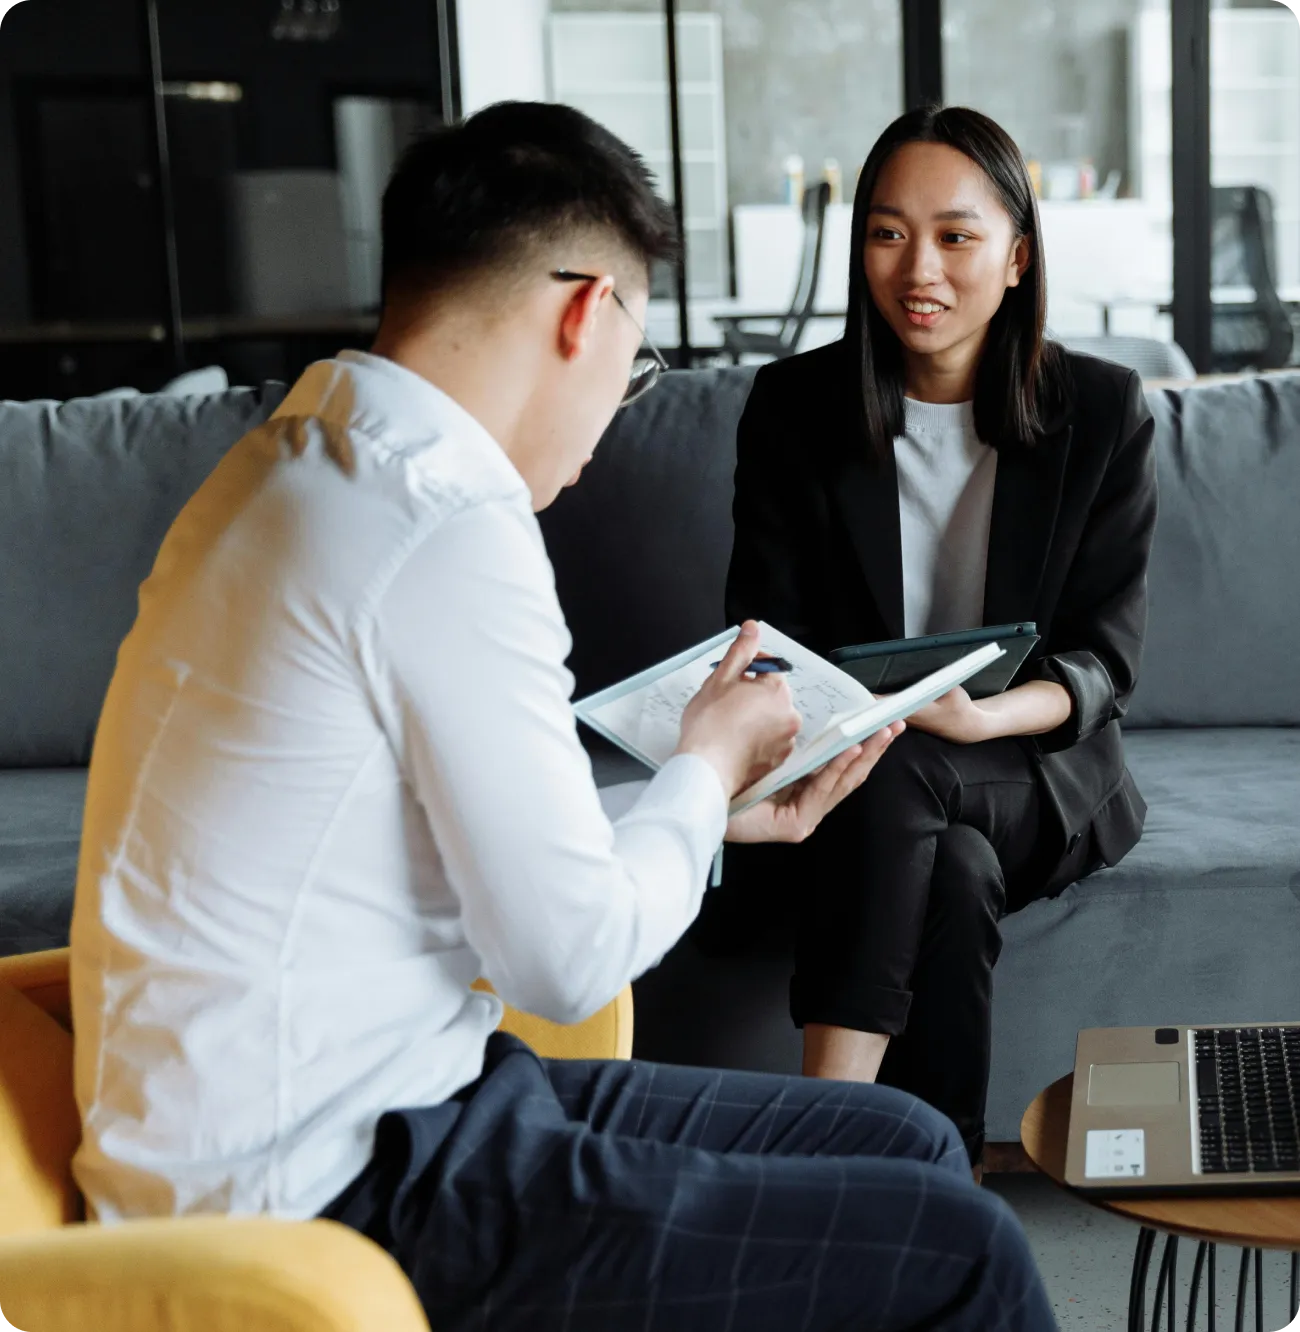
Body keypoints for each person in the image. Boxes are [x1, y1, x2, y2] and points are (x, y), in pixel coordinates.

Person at [69, 100, 1057, 1330]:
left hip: (387, 1099)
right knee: (961, 1250)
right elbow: (568, 956)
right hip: (336, 1181)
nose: (614, 410)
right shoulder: (445, 525)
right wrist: (702, 768)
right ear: (587, 311)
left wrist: (698, 813)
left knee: (903, 1137)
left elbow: (408, 829)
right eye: (635, 366)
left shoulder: (288, 467)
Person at [723, 105, 1158, 1174]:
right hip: (858, 771)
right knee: (950, 872)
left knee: (914, 771)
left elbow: (1105, 661)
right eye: (885, 231)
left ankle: (818, 1146)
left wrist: (978, 715)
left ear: (1015, 257)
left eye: (955, 236)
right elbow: (763, 630)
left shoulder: (1100, 411)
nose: (917, 267)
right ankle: (935, 1187)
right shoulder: (792, 409)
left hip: (1030, 768)